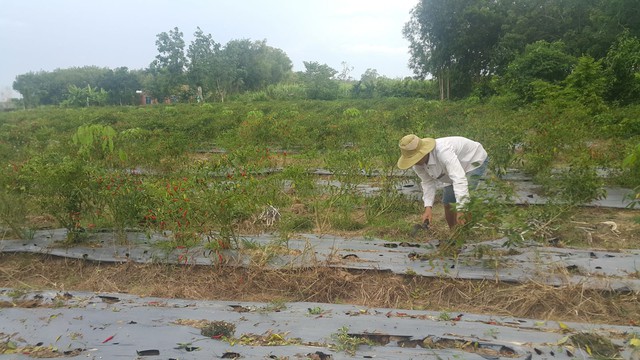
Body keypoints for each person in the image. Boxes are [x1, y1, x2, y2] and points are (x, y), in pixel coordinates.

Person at [397, 134, 488, 229]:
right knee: (448, 201)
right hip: (450, 170)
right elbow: (427, 182)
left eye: (415, 158)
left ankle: (465, 233)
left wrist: (461, 209)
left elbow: (459, 179)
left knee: (465, 198)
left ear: (423, 152)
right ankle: (453, 232)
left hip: (473, 160)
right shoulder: (417, 165)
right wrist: (428, 208)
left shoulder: (443, 152)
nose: (414, 162)